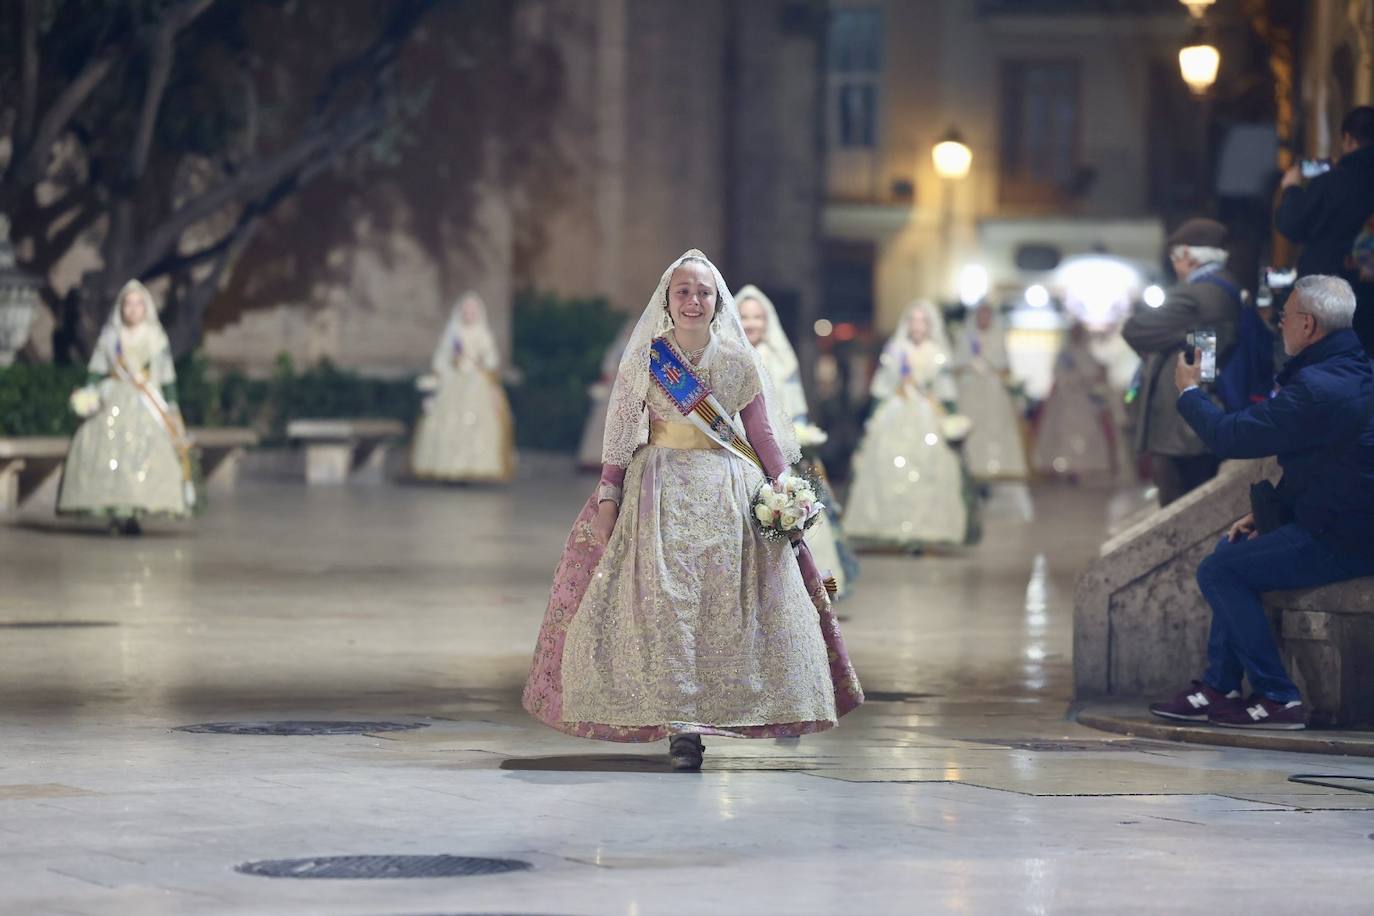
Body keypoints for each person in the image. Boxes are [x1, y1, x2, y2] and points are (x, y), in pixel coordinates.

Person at [522, 250, 863, 770]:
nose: (693, 300)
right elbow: (619, 434)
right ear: (667, 299)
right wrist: (609, 497)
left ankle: (712, 712)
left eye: (703, 291)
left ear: (716, 300)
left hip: (729, 495)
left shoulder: (737, 360)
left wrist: (787, 492)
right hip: (657, 494)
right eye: (682, 291)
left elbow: (763, 434)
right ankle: (679, 726)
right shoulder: (647, 359)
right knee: (665, 608)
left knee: (721, 608)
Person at [1151, 275, 1374, 730]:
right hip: (1344, 518)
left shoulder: (1317, 388)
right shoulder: (1356, 372)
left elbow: (1230, 436)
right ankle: (1220, 686)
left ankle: (1278, 696)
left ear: (1308, 324)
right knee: (1230, 552)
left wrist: (1190, 392)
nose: (1278, 323)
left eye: (1285, 315)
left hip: (1344, 535)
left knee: (1220, 570)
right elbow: (1333, 462)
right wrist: (1271, 514)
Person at [736, 284, 859, 599]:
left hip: (784, 452)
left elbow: (795, 407)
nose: (751, 323)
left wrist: (802, 437)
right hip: (742, 452)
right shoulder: (731, 357)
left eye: (757, 317)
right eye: (744, 316)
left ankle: (815, 591)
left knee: (804, 522)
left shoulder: (780, 360)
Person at [57, 280, 196, 533]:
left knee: (145, 455)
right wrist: (88, 392)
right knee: (106, 452)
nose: (132, 309)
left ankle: (136, 511)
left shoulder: (155, 336)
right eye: (128, 304)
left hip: (145, 400)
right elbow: (98, 368)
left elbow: (165, 374)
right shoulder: (111, 336)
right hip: (114, 397)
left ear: (146, 307)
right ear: (121, 308)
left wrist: (171, 403)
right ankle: (116, 512)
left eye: (138, 304)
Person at [1123, 218, 1242, 506]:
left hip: (1183, 431)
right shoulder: (1225, 287)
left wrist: (1171, 338)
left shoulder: (1199, 294)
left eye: (1174, 257)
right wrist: (1180, 337)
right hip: (1195, 423)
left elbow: (1135, 329)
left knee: (1179, 501)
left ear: (1186, 256)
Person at [845, 301, 975, 550]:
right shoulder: (895, 349)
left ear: (929, 325)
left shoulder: (937, 352)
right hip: (897, 410)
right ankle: (887, 528)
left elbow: (945, 391)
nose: (917, 325)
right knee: (888, 461)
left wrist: (951, 417)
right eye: (913, 320)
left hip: (927, 414)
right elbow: (882, 386)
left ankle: (927, 529)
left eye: (922, 320)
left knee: (931, 467)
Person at [1275, 106, 1374, 357]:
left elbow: (1292, 225)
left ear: (1349, 139)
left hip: (1333, 300)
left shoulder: (1335, 181)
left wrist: (1292, 189)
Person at [410, 292, 516, 483]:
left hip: (476, 382)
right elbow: (441, 357)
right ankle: (447, 467)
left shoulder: (482, 333)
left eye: (472, 311)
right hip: (454, 380)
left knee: (477, 420)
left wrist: (479, 361)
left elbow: (491, 359)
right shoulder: (453, 333)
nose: (469, 314)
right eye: (466, 311)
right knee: (447, 420)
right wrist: (452, 363)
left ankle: (475, 466)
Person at [952, 303, 1030, 482]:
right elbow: (956, 366)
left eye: (988, 315)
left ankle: (998, 466)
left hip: (994, 392)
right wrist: (969, 365)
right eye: (981, 315)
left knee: (996, 425)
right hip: (971, 390)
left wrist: (994, 368)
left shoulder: (998, 337)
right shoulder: (966, 337)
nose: (984, 319)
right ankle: (972, 466)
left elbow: (1005, 366)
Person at [1031, 322, 1117, 480]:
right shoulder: (1064, 354)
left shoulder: (1087, 354)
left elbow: (1094, 375)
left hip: (1083, 401)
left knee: (1087, 430)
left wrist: (1091, 376)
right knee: (1060, 430)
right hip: (1064, 400)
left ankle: (1084, 466)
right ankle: (1061, 467)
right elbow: (1059, 374)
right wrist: (1076, 379)